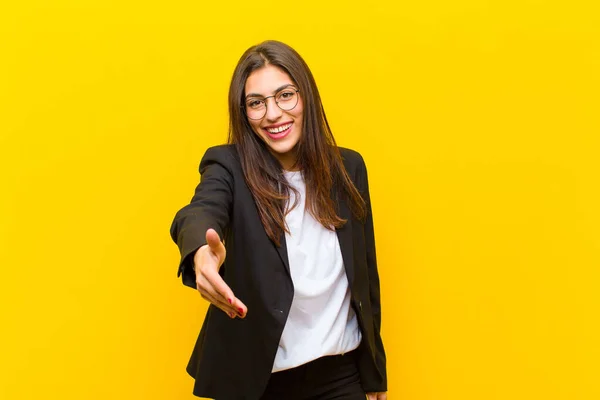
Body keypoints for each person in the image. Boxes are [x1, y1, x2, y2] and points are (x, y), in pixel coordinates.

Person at [170, 40, 387, 400]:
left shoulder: (348, 169)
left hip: (340, 376)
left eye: (285, 95)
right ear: (244, 113)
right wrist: (199, 252)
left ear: (307, 97)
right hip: (258, 382)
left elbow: (365, 276)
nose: (273, 113)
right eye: (256, 103)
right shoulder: (228, 167)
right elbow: (198, 211)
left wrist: (375, 372)